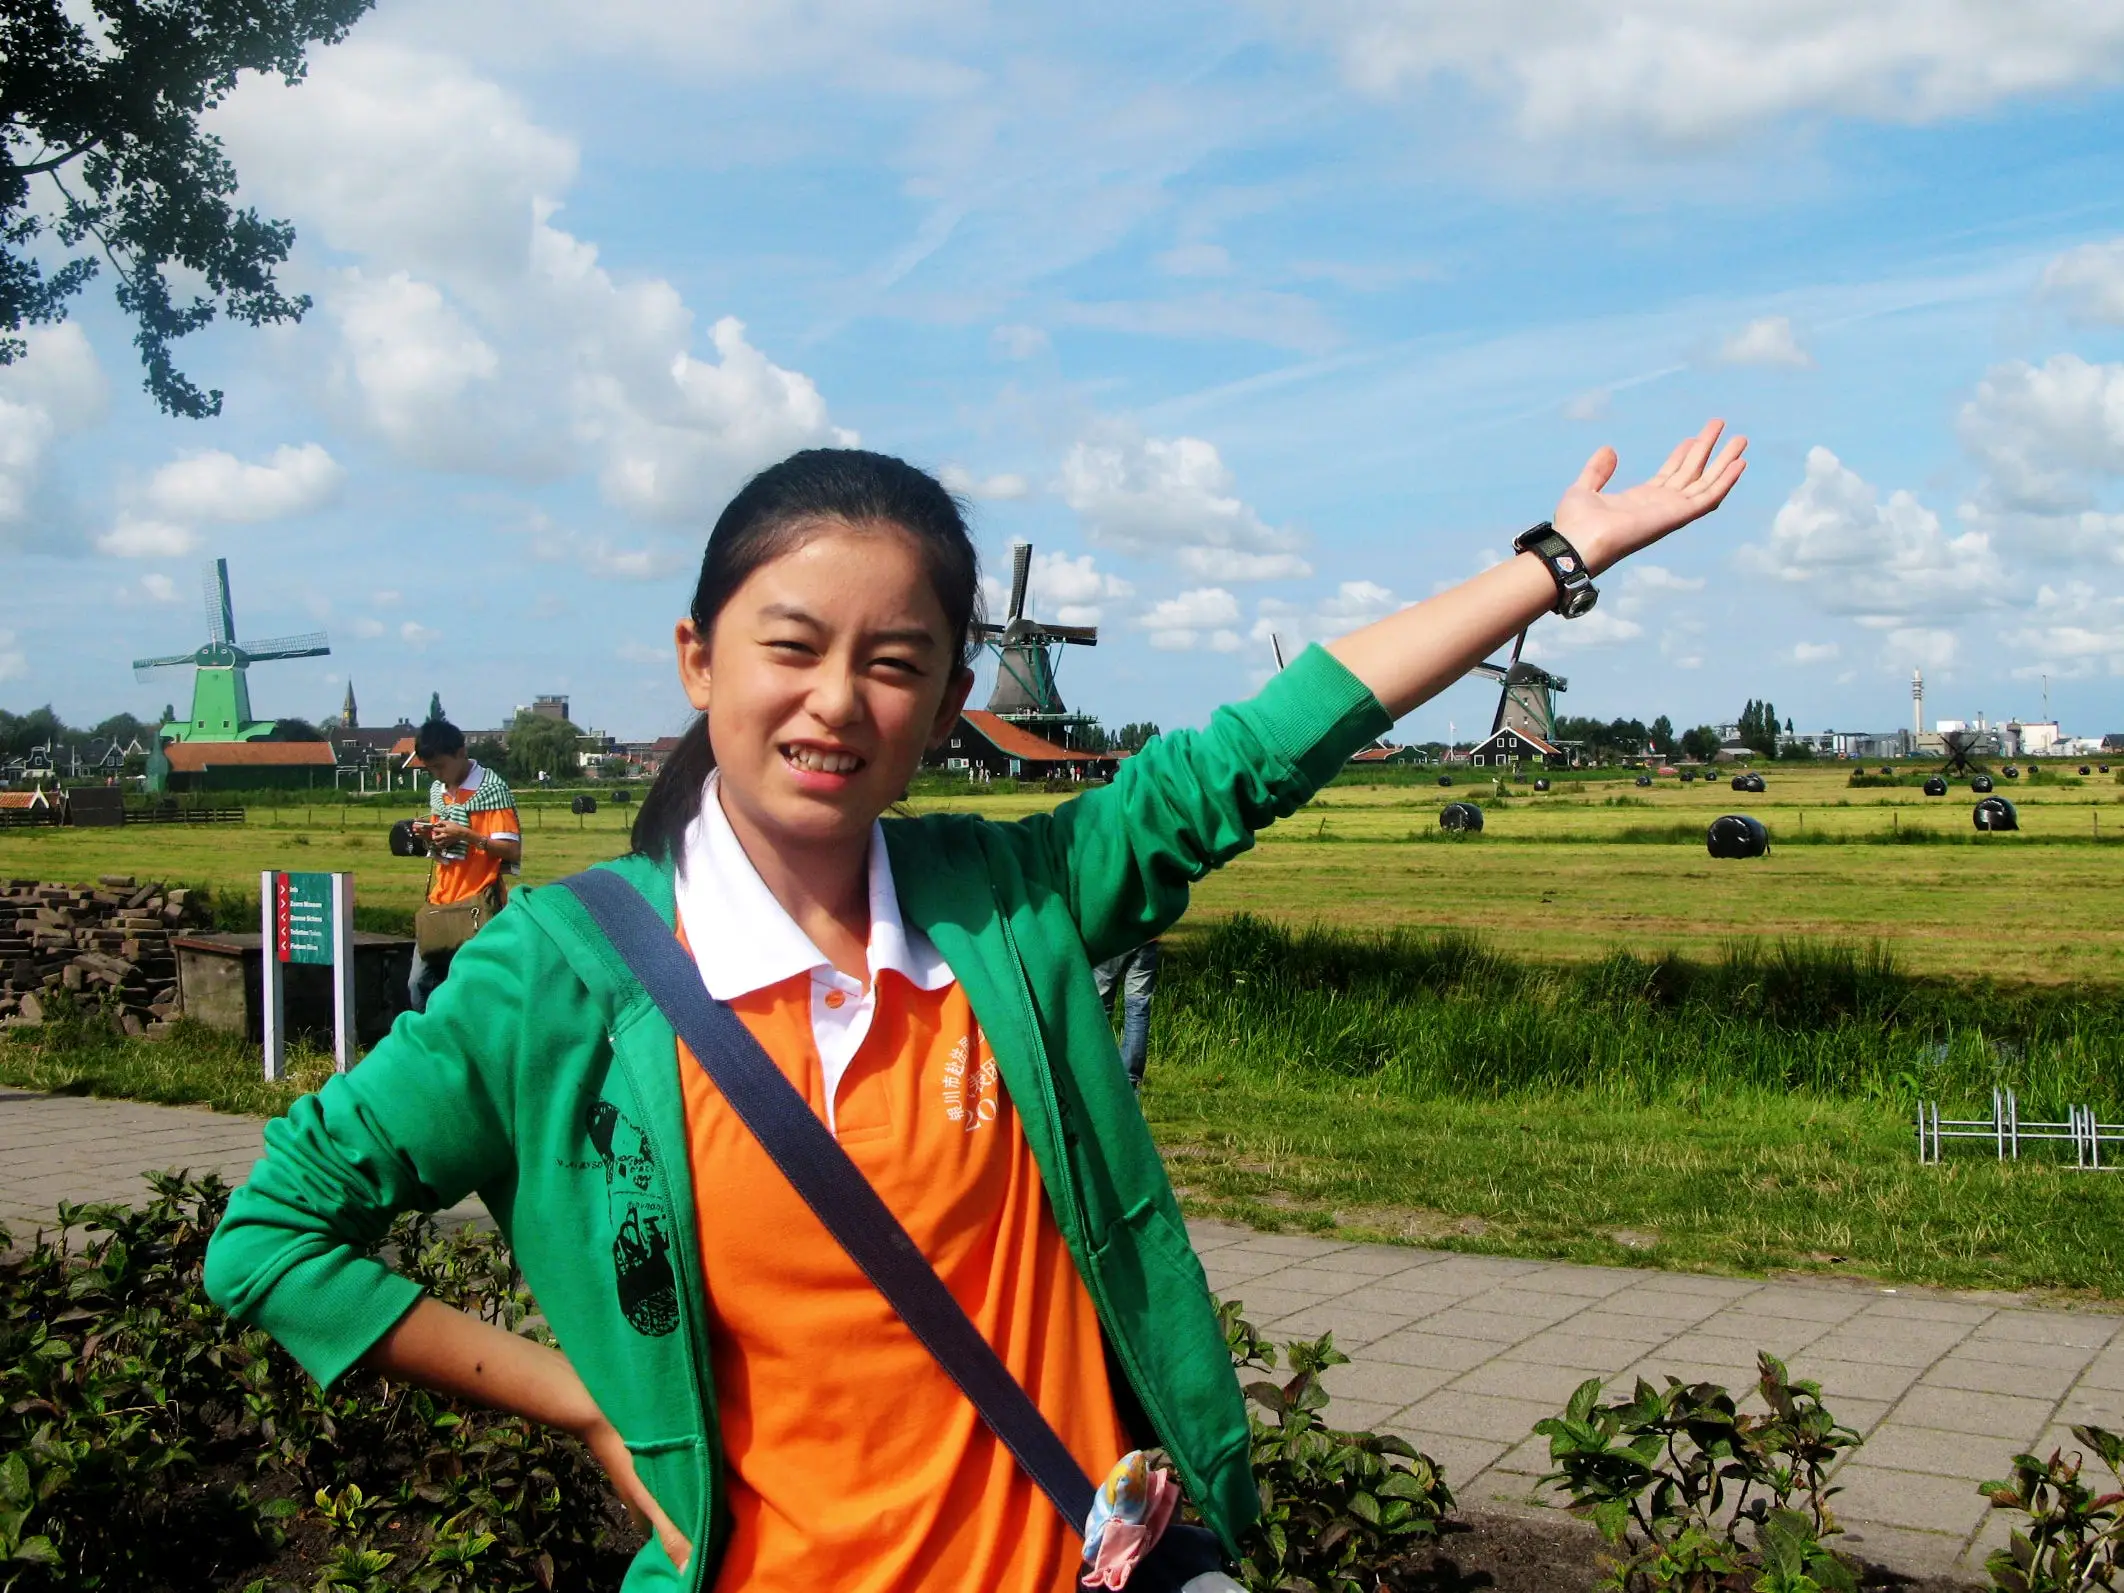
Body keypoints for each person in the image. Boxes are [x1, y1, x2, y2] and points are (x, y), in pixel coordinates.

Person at [204, 429, 1745, 1593]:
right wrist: (588, 1405)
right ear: (697, 659)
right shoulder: (558, 976)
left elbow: (1260, 748)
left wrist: (1551, 558)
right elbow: (272, 1230)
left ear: (949, 705)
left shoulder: (1008, 911)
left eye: (896, 664)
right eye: (791, 646)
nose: (836, 701)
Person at [406, 717, 521, 1012]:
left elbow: (512, 851)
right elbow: (443, 848)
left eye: (440, 766)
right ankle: (432, 1048)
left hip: (478, 904)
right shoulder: (438, 792)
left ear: (461, 753)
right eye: (430, 768)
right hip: (441, 902)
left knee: (473, 990)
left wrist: (468, 836)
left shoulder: (492, 790)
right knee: (418, 984)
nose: (436, 774)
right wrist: (429, 837)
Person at [1093, 939, 1160, 1091]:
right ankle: (1129, 1082)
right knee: (1138, 1009)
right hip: (1145, 937)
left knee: (1099, 1009)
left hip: (1113, 936)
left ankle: (1096, 1074)